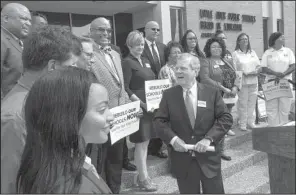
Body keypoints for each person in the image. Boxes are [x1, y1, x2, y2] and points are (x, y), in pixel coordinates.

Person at [1, 26, 81, 193]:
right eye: (72, 66)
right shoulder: (15, 118)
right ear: (52, 66)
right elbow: (11, 186)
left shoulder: (44, 100)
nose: (75, 74)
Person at [16, 67, 114, 193]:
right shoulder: (72, 187)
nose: (111, 116)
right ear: (68, 117)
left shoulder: (51, 166)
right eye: (101, 110)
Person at [153, 53, 233, 194]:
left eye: (183, 68)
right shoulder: (169, 95)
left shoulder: (211, 93)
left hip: (209, 160)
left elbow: (225, 118)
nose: (178, 72)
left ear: (195, 72)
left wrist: (209, 139)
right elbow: (159, 122)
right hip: (183, 161)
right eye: (176, 68)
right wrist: (173, 139)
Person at [89, 17, 141, 193]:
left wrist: (131, 108)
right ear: (91, 32)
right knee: (99, 161)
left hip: (119, 120)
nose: (105, 33)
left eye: (108, 30)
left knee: (116, 160)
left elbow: (121, 87)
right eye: (100, 30)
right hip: (100, 119)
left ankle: (114, 190)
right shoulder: (88, 55)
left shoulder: (116, 54)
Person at [122, 30, 158, 191]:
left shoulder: (145, 60)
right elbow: (126, 88)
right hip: (140, 108)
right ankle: (144, 178)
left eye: (142, 44)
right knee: (141, 143)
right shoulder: (127, 62)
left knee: (146, 141)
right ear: (130, 45)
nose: (140, 47)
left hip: (151, 107)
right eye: (137, 44)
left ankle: (141, 176)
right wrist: (141, 103)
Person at [200, 37, 241, 161]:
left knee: (223, 124)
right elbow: (205, 79)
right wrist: (223, 88)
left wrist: (235, 87)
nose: (216, 49)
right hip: (215, 97)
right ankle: (212, 150)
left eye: (219, 47)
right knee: (214, 124)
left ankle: (221, 150)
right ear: (209, 49)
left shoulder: (228, 60)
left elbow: (237, 76)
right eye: (213, 47)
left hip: (229, 98)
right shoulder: (206, 61)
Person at [142, 21, 167, 159]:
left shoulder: (162, 47)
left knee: (160, 117)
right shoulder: (140, 46)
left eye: (158, 29)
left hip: (162, 90)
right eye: (153, 29)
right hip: (147, 90)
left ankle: (156, 147)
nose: (156, 32)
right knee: (150, 119)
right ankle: (148, 146)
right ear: (145, 30)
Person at [261, 32, 295, 126]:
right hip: (271, 83)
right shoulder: (267, 53)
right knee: (271, 109)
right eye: (281, 37)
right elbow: (264, 68)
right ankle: (273, 130)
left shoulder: (288, 51)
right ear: (274, 40)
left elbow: (293, 66)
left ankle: (283, 131)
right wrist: (275, 74)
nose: (283, 38)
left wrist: (283, 74)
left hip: (285, 83)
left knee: (285, 108)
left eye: (283, 36)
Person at [1, 3, 31, 99]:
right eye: (23, 18)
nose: (29, 23)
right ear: (6, 19)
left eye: (29, 20)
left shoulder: (16, 41)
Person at [232, 33, 261, 131]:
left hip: (253, 81)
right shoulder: (235, 53)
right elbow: (234, 69)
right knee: (243, 103)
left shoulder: (252, 52)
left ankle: (250, 122)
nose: (245, 41)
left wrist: (257, 71)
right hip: (243, 82)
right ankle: (242, 123)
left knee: (252, 103)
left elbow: (258, 65)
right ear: (238, 42)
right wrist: (244, 73)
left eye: (246, 39)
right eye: (242, 39)